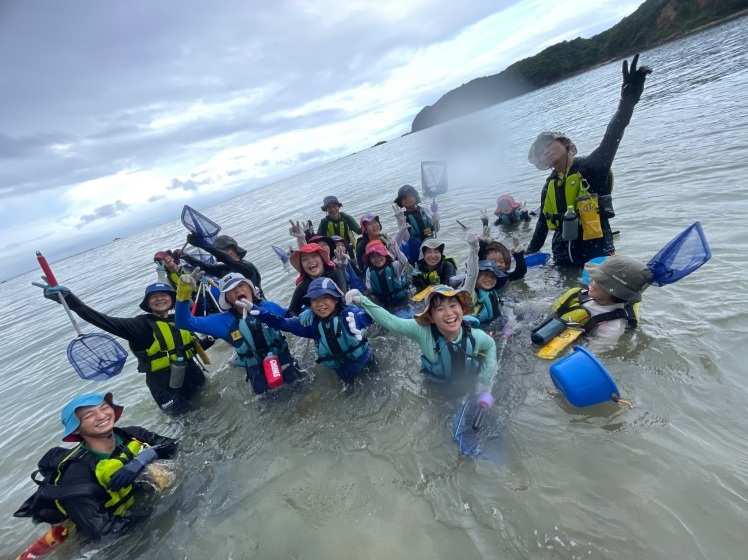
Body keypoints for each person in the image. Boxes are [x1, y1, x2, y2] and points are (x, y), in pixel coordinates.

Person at [525, 54, 652, 266]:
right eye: (540, 152)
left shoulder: (594, 166)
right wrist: (527, 253)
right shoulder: (549, 186)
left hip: (597, 254)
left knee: (598, 297)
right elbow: (542, 225)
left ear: (565, 144)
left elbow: (613, 133)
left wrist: (626, 103)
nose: (545, 152)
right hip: (562, 257)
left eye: (549, 145)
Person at [14, 392, 178, 542]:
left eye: (104, 408)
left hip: (135, 499)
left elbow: (172, 446)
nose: (101, 416)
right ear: (76, 429)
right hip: (103, 525)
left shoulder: (130, 434)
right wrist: (163, 513)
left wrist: (144, 458)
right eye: (89, 415)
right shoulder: (75, 476)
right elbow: (106, 532)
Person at [38, 282, 209, 413]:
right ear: (148, 304)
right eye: (154, 296)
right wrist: (69, 299)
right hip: (165, 387)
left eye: (164, 295)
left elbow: (192, 345)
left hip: (193, 376)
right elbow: (101, 319)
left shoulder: (182, 320)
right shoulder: (137, 326)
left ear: (172, 300)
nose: (159, 298)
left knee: (210, 406)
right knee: (187, 422)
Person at [345, 286, 497, 410]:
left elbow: (490, 346)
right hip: (437, 387)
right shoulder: (422, 331)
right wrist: (363, 300)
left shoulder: (475, 335)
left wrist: (485, 381)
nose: (449, 313)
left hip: (468, 382)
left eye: (453, 305)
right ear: (430, 316)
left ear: (462, 310)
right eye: (440, 309)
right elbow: (391, 322)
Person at [174, 271, 304, 394]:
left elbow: (295, 317)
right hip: (258, 374)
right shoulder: (223, 321)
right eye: (230, 289)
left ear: (250, 288)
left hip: (285, 361)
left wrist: (311, 308)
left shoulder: (269, 307)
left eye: (241, 285)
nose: (237, 290)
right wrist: (183, 296)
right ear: (227, 298)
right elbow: (183, 322)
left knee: (303, 391)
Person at [249, 277, 376, 385]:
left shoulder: (351, 316)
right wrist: (259, 312)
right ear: (309, 303)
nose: (320, 304)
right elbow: (282, 323)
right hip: (343, 375)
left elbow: (374, 317)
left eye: (325, 297)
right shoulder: (310, 324)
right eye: (314, 300)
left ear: (336, 299)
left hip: (368, 366)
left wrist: (363, 303)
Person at [549, 255, 651, 352]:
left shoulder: (611, 328)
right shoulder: (583, 295)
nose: (590, 280)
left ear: (614, 290)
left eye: (599, 280)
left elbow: (588, 354)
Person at [182, 234, 265, 298]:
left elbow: (232, 262)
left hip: (260, 308)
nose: (224, 252)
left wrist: (202, 244)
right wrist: (184, 256)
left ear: (236, 249)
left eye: (227, 248)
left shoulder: (247, 267)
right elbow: (203, 266)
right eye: (221, 250)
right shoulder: (223, 270)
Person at [287, 243, 348, 316]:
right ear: (302, 266)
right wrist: (299, 321)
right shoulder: (303, 286)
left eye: (314, 256)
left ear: (322, 260)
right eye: (305, 259)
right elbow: (291, 310)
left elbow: (344, 298)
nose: (310, 261)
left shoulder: (335, 273)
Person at [463, 235, 508, 326]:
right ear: (477, 277)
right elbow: (471, 274)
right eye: (485, 275)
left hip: (495, 326)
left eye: (493, 276)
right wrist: (474, 249)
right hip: (478, 330)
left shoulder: (492, 291)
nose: (489, 279)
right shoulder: (470, 293)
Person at [393, 185, 439, 263]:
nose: (407, 199)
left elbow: (436, 229)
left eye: (409, 195)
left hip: (431, 244)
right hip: (416, 249)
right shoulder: (401, 216)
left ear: (415, 196)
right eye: (403, 198)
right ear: (401, 202)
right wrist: (401, 221)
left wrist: (436, 220)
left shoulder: (425, 210)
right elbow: (406, 238)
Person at [362, 238, 409, 308]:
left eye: (379, 254)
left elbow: (404, 262)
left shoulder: (394, 265)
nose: (377, 258)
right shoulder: (369, 270)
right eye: (372, 256)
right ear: (369, 260)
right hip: (385, 306)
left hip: (402, 302)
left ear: (385, 254)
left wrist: (395, 248)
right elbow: (369, 288)